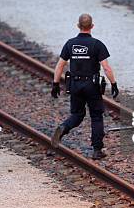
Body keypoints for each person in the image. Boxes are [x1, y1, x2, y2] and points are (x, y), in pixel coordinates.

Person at [50, 13, 118, 159]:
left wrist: (55, 83)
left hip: (74, 84)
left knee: (77, 115)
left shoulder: (70, 44)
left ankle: (64, 128)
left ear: (78, 26)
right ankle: (97, 150)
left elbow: (60, 65)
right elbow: (106, 68)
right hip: (91, 85)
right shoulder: (97, 44)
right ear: (92, 26)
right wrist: (114, 84)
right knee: (96, 116)